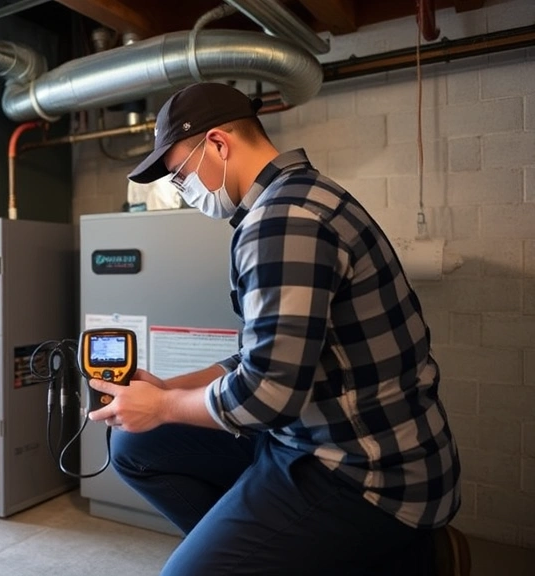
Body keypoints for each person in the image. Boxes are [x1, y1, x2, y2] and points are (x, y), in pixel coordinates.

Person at [87, 82, 468, 576]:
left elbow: (266, 395)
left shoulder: (282, 221)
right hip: (307, 432)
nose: (184, 192)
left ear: (218, 144)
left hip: (363, 469)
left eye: (181, 175)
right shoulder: (294, 198)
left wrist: (161, 407)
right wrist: (168, 390)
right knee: (135, 446)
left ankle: (411, 556)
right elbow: (261, 359)